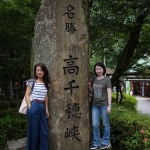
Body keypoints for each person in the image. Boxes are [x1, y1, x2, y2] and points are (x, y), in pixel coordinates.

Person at [25, 63, 50, 150]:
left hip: (42, 107)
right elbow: (27, 95)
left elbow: (46, 96)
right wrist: (29, 107)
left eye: (41, 70)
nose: (39, 72)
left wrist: (46, 109)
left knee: (44, 132)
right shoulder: (31, 81)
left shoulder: (46, 82)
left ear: (44, 71)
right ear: (35, 71)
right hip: (34, 106)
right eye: (37, 70)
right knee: (33, 133)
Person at [88, 62, 112, 150]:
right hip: (95, 105)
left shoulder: (107, 80)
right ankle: (96, 143)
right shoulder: (94, 79)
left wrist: (109, 105)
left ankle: (105, 142)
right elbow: (93, 92)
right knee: (95, 125)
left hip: (104, 105)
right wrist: (89, 87)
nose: (98, 70)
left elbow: (109, 93)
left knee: (106, 124)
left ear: (103, 69)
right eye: (97, 69)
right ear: (95, 70)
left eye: (100, 69)